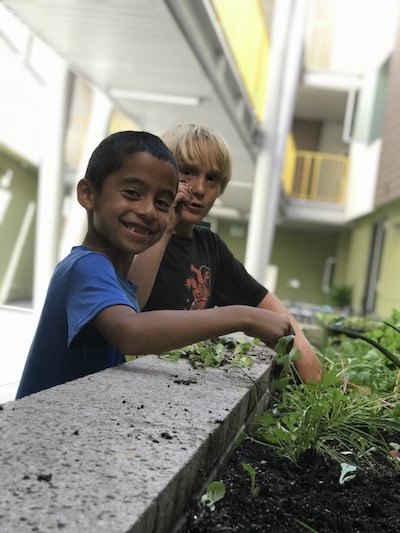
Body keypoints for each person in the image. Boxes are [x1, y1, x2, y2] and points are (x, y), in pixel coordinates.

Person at [16, 130, 295, 399]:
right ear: (88, 194)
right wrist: (245, 317)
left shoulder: (115, 275)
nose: (148, 211)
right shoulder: (88, 266)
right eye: (132, 192)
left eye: (162, 202)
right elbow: (130, 332)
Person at [129, 124, 322, 383]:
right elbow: (130, 310)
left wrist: (306, 355)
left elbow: (267, 305)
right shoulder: (136, 233)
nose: (198, 188)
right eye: (187, 172)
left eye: (213, 179)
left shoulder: (210, 246)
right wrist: (164, 227)